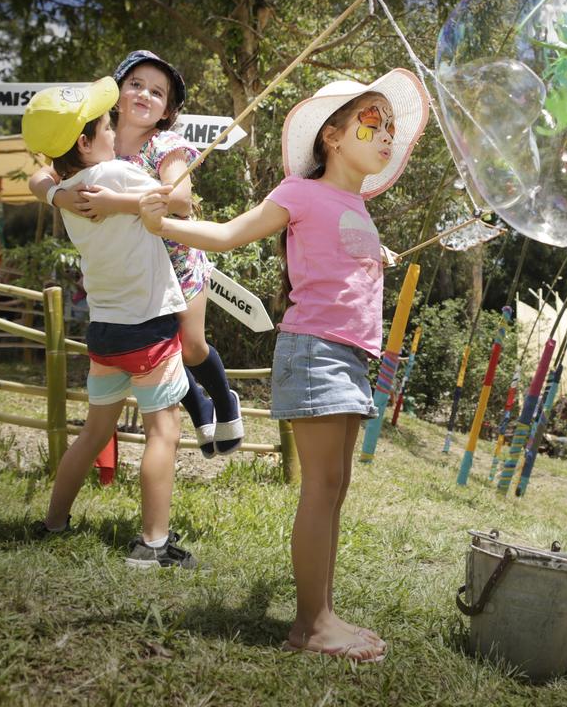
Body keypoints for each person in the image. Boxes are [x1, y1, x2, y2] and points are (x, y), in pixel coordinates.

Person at [139, 69, 429, 661]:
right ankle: (311, 624)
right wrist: (161, 223)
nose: (386, 135)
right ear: (332, 137)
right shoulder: (299, 192)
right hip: (316, 351)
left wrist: (377, 253)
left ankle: (319, 612)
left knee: (336, 486)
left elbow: (343, 258)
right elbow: (225, 234)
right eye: (372, 122)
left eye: (390, 127)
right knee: (321, 487)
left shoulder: (356, 205)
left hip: (351, 357)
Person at [29, 51, 241, 459]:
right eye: (136, 85)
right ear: (118, 95)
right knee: (163, 350)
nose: (145, 94)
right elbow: (38, 178)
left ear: (167, 110)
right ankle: (199, 407)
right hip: (135, 273)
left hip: (177, 260)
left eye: (157, 92)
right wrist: (60, 196)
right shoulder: (95, 141)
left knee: (192, 345)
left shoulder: (166, 144)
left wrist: (114, 202)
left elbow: (179, 199)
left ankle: (224, 400)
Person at [22, 77, 195, 568]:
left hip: (105, 334)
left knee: (95, 432)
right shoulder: (118, 174)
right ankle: (153, 546)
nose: (112, 131)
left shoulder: (67, 190)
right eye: (104, 125)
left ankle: (53, 522)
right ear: (84, 141)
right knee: (164, 432)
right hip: (150, 328)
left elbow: (43, 181)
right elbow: (180, 202)